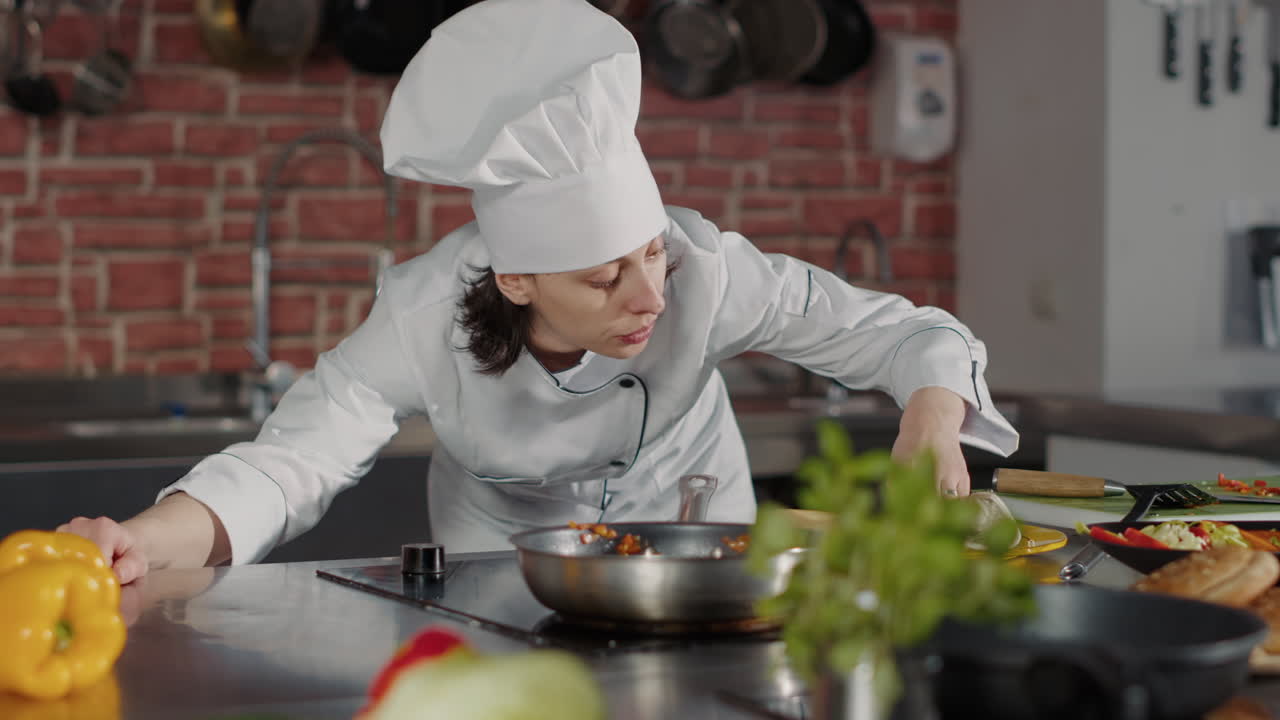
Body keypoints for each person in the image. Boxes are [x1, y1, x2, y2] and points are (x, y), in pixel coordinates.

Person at [58, 0, 1018, 584]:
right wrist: (140, 540)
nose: (649, 293)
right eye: (605, 277)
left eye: (649, 255)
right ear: (515, 278)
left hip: (700, 539)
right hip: (503, 563)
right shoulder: (424, 317)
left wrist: (928, 421)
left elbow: (905, 335)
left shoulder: (704, 272)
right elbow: (286, 469)